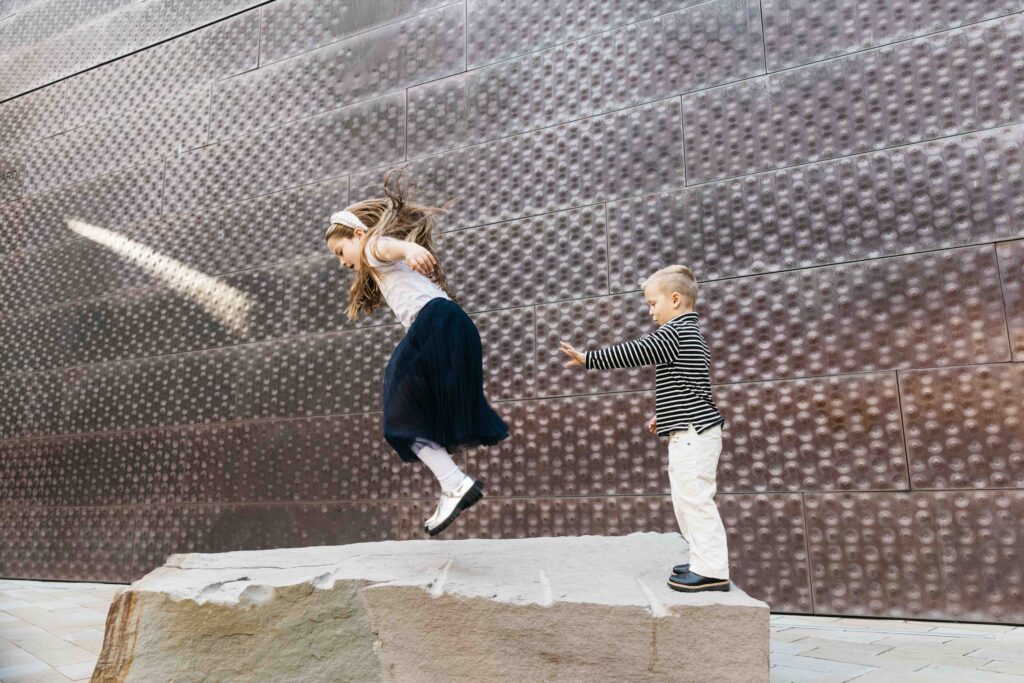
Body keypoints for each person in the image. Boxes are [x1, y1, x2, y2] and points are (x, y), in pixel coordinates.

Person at [324, 171, 509, 536]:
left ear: (358, 235)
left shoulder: (376, 248)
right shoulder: (379, 269)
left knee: (398, 410)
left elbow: (385, 246)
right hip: (452, 327)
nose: (341, 262)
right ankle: (452, 482)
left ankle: (454, 484)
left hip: (437, 324)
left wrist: (407, 248)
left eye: (340, 252)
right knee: (410, 413)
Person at [559, 265, 731, 592]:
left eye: (653, 303)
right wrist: (663, 415)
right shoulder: (689, 334)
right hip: (691, 430)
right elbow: (693, 388)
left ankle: (712, 570)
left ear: (676, 299)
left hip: (694, 435)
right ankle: (702, 560)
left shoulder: (676, 332)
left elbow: (636, 351)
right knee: (686, 501)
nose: (651, 311)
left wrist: (589, 359)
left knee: (695, 501)